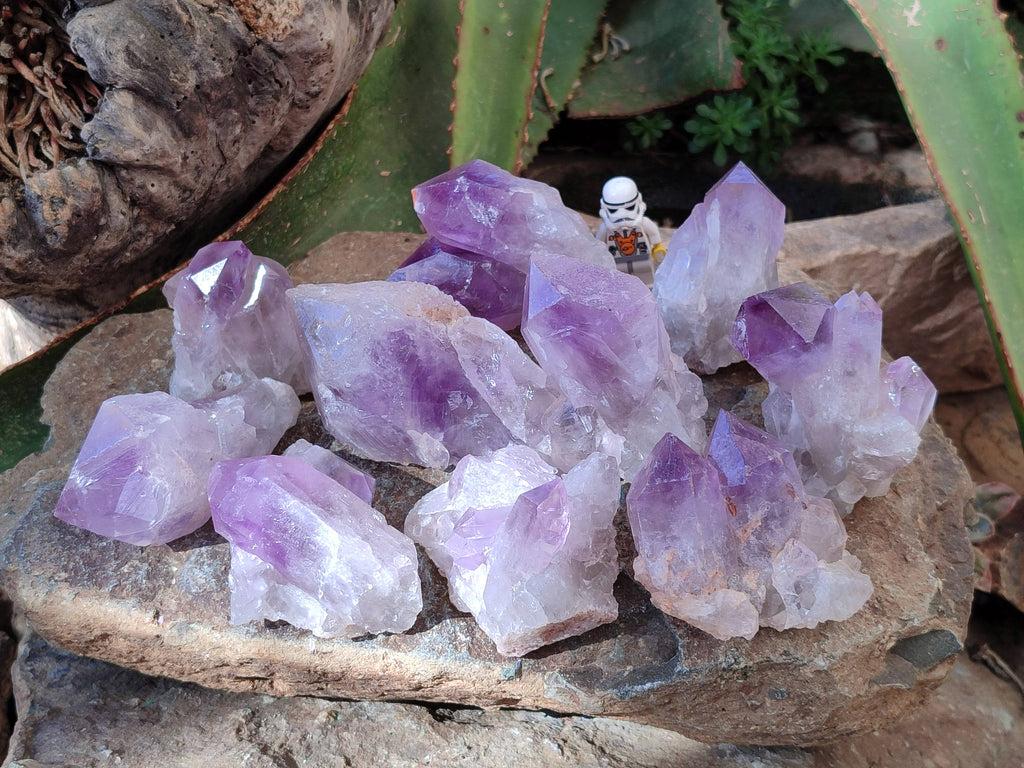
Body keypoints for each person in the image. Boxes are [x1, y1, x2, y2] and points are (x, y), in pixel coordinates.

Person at [596, 176, 666, 274]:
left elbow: (653, 233)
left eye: (629, 208)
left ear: (638, 201)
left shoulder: (643, 223)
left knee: (647, 278)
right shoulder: (605, 228)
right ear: (604, 207)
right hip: (616, 264)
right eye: (613, 210)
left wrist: (657, 246)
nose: (621, 215)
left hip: (643, 260)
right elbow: (598, 243)